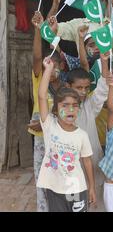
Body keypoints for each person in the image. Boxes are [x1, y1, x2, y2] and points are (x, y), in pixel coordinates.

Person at [37, 57, 96, 212]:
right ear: (56, 109)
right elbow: (42, 96)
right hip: (54, 189)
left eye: (75, 106)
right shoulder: (50, 125)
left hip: (77, 188)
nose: (71, 109)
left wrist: (91, 187)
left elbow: (87, 162)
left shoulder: (82, 135)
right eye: (65, 105)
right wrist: (48, 70)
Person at [65, 52, 112, 208]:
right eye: (79, 88)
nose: (83, 92)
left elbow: (102, 89)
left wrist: (104, 62)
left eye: (86, 88)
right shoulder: (60, 112)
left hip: (93, 162)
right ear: (68, 87)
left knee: (95, 202)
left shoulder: (89, 106)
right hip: (72, 168)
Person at [30, 11, 64, 212]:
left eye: (55, 64)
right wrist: (37, 31)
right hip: (42, 139)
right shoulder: (39, 77)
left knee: (60, 179)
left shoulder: (65, 85)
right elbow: (36, 56)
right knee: (42, 179)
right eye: (47, 64)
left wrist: (54, 38)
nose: (51, 67)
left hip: (60, 140)